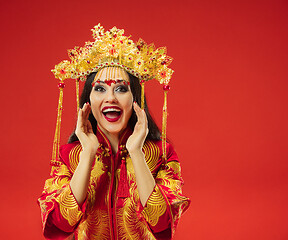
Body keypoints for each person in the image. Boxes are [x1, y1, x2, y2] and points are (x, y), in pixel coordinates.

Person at [38, 24, 190, 240]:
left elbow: (162, 223)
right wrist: (88, 154)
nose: (110, 98)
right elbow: (60, 224)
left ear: (135, 99)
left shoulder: (160, 154)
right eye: (100, 89)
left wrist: (136, 152)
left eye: (121, 89)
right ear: (88, 100)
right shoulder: (70, 155)